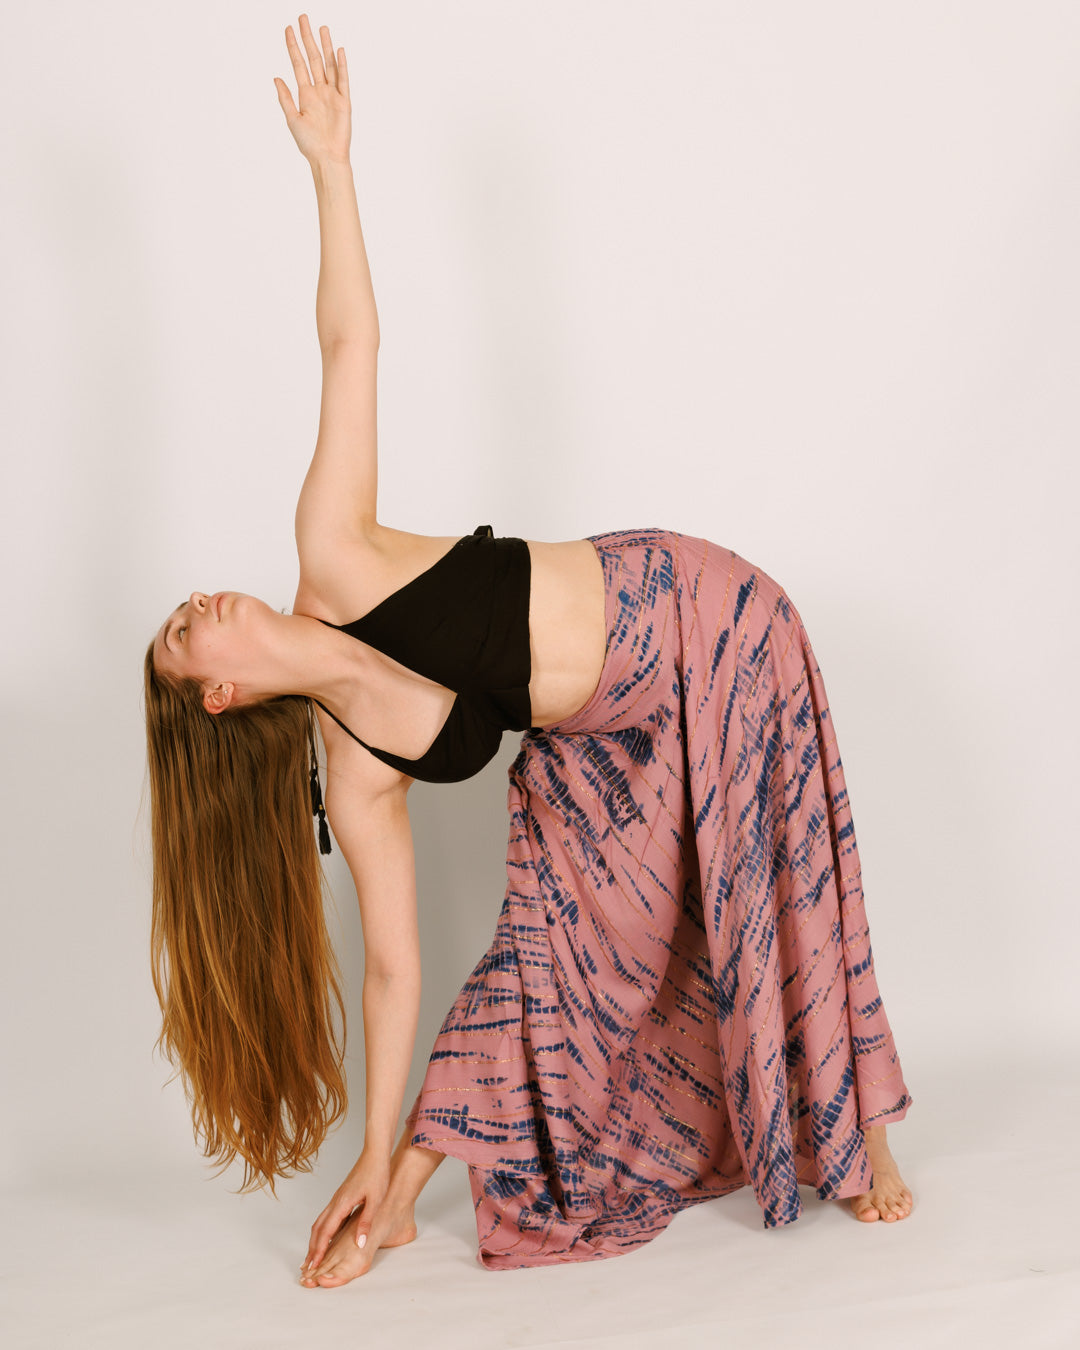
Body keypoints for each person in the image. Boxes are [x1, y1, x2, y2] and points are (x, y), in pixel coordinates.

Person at [143, 15, 914, 1289]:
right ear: (222, 695)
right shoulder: (351, 774)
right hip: (594, 740)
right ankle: (397, 1196)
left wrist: (331, 167)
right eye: (191, 632)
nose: (204, 600)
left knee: (781, 863)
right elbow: (395, 973)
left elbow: (350, 344)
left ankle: (867, 1137)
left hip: (685, 616)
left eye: (188, 605)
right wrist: (370, 1157)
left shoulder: (328, 552)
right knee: (541, 957)